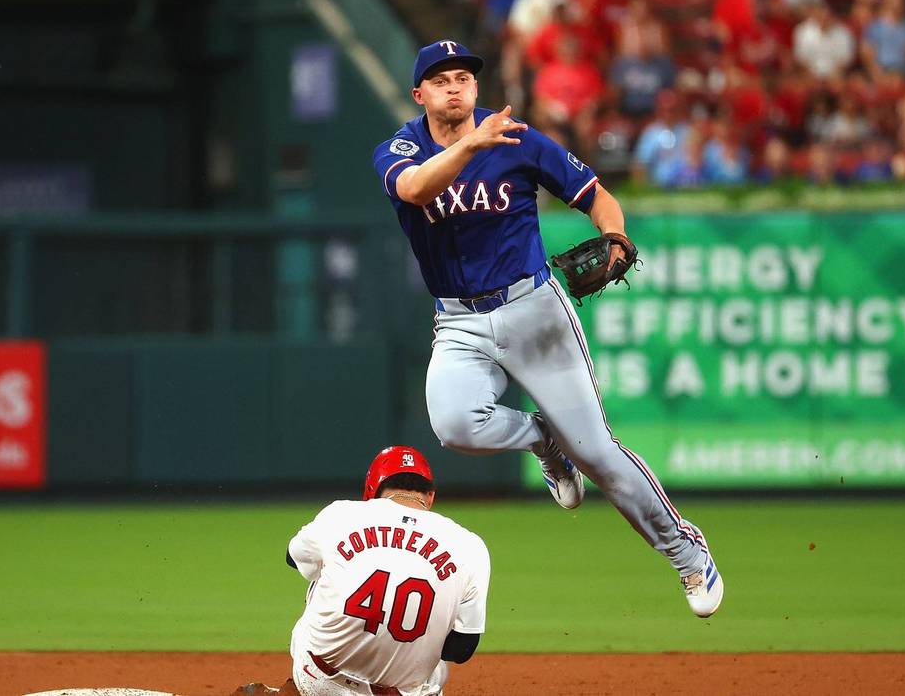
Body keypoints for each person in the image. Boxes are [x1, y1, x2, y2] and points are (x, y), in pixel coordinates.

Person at [370, 40, 723, 618]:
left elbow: (597, 197)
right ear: (420, 95)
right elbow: (414, 189)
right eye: (440, 80)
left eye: (463, 77)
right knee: (455, 424)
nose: (454, 87)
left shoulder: (516, 139)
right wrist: (470, 148)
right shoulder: (400, 148)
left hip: (534, 309)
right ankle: (541, 437)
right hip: (459, 320)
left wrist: (617, 236)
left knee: (599, 454)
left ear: (476, 88)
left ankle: (685, 549)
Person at [243, 446, 489, 696]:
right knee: (439, 665)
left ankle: (294, 692)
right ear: (431, 496)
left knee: (322, 572)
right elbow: (461, 650)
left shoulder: (343, 513)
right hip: (401, 692)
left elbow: (293, 557)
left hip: (318, 680)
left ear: (372, 489)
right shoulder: (470, 545)